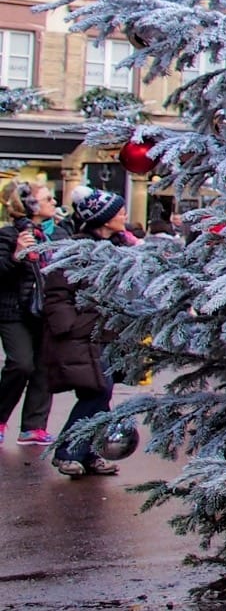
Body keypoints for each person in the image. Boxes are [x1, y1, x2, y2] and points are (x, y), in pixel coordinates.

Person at [43, 188, 133, 478]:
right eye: (119, 212)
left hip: (110, 334)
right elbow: (57, 295)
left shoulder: (120, 248)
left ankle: (90, 453)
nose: (124, 215)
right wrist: (74, 325)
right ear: (103, 219)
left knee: (101, 394)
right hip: (85, 336)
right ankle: (67, 451)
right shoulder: (77, 251)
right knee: (97, 391)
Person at [0, 180, 61, 447]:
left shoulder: (54, 236)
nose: (54, 203)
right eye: (48, 199)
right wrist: (17, 256)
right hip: (14, 311)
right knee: (21, 363)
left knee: (43, 367)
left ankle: (33, 427)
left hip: (45, 311)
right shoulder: (7, 235)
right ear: (31, 206)